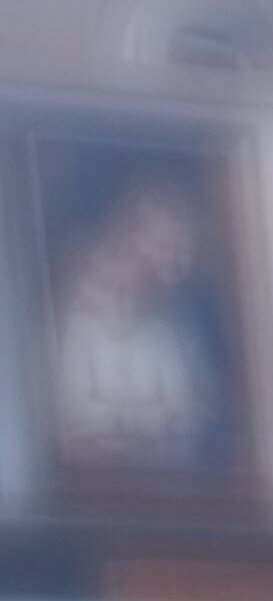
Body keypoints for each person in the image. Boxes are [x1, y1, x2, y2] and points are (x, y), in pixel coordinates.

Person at [50, 177, 220, 471]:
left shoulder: (167, 329)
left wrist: (134, 422)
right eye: (165, 246)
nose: (178, 261)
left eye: (184, 249)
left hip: (169, 465)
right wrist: (137, 419)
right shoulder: (81, 330)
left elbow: (187, 408)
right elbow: (73, 413)